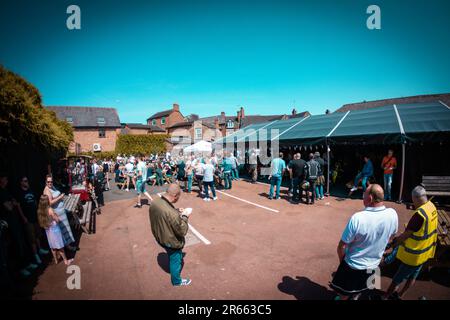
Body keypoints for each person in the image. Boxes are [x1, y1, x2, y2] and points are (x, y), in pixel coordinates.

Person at [330, 184, 398, 300]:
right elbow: (392, 236)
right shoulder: (393, 214)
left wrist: (343, 262)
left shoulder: (358, 218)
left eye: (364, 194)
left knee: (344, 294)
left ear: (370, 198)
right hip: (374, 265)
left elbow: (342, 246)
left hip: (353, 266)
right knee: (363, 290)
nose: (362, 197)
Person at [383, 186, 438, 300]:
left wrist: (392, 244)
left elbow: (404, 236)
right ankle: (400, 295)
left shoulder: (419, 215)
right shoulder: (431, 206)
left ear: (415, 198)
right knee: (412, 277)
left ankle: (386, 297)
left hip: (413, 255)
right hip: (425, 253)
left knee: (397, 279)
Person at [149, 184, 192, 286]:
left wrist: (176, 211)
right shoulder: (171, 213)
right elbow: (182, 231)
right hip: (170, 241)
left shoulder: (156, 201)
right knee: (175, 259)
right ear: (175, 195)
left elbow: (165, 211)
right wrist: (185, 216)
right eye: (178, 196)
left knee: (171, 254)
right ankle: (176, 281)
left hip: (159, 236)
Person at [0, 173, 38, 277]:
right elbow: (10, 207)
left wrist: (13, 203)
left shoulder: (6, 191)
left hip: (15, 222)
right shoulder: (1, 193)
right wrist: (14, 203)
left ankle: (27, 264)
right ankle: (21, 268)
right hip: (8, 224)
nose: (6, 180)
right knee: (16, 245)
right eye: (4, 178)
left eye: (7, 178)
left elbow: (14, 202)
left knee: (22, 243)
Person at [16, 176, 48, 265]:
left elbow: (35, 202)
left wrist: (38, 212)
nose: (27, 182)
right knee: (32, 238)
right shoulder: (20, 193)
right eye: (25, 181)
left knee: (38, 234)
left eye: (27, 180)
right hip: (28, 219)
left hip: (35, 216)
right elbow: (18, 207)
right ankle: (36, 255)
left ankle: (40, 249)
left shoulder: (31, 190)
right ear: (21, 182)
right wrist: (23, 218)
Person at [43, 174, 76, 251]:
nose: (50, 183)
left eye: (51, 181)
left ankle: (69, 245)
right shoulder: (46, 190)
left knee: (65, 229)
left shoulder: (52, 187)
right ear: (46, 182)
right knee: (63, 230)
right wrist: (60, 197)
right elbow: (50, 203)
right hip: (57, 212)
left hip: (61, 211)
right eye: (48, 182)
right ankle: (68, 247)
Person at [37, 195, 73, 266]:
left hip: (48, 230)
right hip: (55, 229)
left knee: (52, 246)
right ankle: (66, 261)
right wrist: (56, 215)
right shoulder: (50, 209)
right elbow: (57, 220)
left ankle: (56, 260)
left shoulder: (40, 210)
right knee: (60, 246)